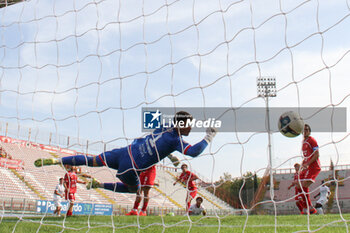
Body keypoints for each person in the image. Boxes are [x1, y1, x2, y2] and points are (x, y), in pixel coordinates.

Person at [34, 111, 217, 195]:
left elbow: (159, 133)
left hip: (123, 152)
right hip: (130, 167)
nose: (191, 128)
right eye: (189, 125)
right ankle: (98, 185)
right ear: (181, 125)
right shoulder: (175, 141)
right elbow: (193, 152)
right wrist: (209, 137)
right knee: (134, 190)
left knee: (91, 160)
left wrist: (167, 154)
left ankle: (56, 160)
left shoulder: (164, 126)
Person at [299, 124, 321, 214]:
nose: (305, 131)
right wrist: (303, 165)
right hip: (308, 166)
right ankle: (308, 207)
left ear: (309, 131)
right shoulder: (303, 142)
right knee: (299, 185)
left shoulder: (312, 140)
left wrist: (308, 163)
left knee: (304, 185)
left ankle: (309, 208)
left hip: (314, 166)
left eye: (307, 130)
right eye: (304, 130)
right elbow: (306, 156)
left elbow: (317, 154)